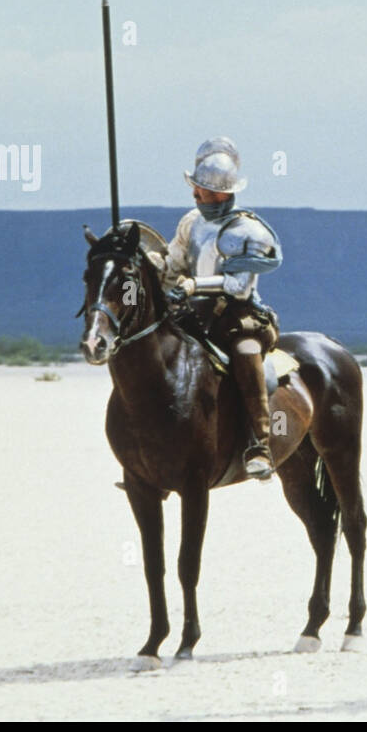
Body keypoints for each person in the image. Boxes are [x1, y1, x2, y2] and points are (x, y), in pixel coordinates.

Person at [151, 138, 283, 480]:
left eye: (202, 191)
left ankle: (260, 444)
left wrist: (196, 285)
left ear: (222, 194)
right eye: (195, 189)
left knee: (246, 351)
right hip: (191, 311)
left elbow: (239, 285)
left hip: (237, 314)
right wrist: (154, 263)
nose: (195, 196)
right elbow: (175, 263)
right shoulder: (191, 223)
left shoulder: (248, 231)